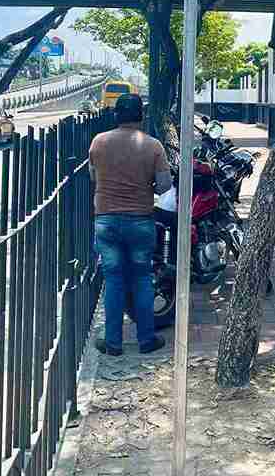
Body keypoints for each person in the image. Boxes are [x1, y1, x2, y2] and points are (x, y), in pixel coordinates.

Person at [89, 93, 172, 355]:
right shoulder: (153, 146)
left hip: (106, 221)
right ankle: (146, 339)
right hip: (140, 220)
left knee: (113, 280)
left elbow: (94, 175)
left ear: (116, 115)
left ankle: (113, 343)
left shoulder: (99, 142)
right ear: (141, 116)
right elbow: (164, 185)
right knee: (141, 278)